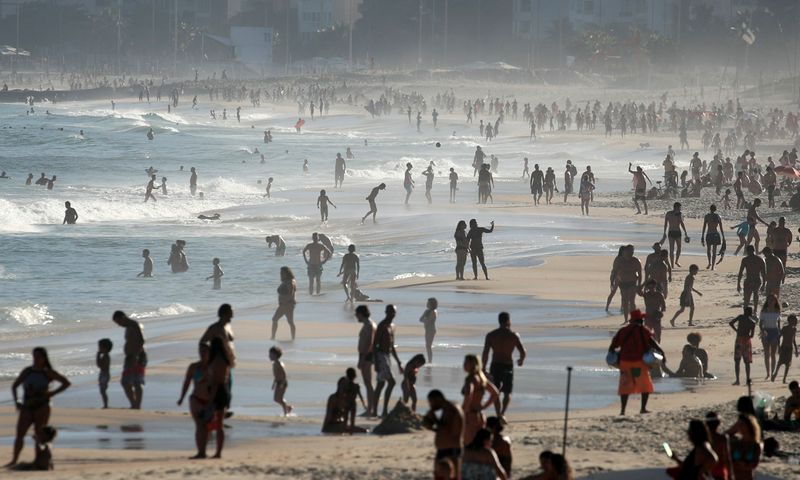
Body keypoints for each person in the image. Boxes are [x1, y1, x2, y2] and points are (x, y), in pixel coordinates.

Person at [6, 348, 70, 468]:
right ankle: (14, 460)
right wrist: (17, 402)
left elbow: (66, 383)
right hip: (27, 406)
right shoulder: (27, 371)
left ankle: (39, 460)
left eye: (39, 356)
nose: (36, 359)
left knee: (39, 434)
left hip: (42, 407)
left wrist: (52, 393)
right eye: (34, 356)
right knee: (20, 434)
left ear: (44, 358)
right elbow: (14, 386)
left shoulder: (47, 372)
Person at [608, 309, 665, 415]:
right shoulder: (644, 331)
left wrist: (614, 358)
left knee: (625, 386)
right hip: (639, 364)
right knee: (644, 385)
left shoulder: (622, 331)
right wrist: (662, 354)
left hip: (624, 363)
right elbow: (654, 344)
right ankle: (643, 408)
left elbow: (613, 346)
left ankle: (623, 410)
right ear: (640, 320)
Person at [482, 312, 526, 420]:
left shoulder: (491, 335)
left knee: (495, 391)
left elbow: (485, 353)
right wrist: (521, 360)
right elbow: (523, 351)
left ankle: (498, 414)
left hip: (495, 365)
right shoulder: (513, 335)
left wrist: (483, 367)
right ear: (508, 321)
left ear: (499, 321)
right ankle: (502, 413)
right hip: (507, 366)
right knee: (507, 392)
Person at [177, 343, 211, 459]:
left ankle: (203, 451)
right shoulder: (193, 367)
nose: (202, 353)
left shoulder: (213, 367)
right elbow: (186, 383)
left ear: (209, 352)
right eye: (200, 351)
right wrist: (181, 397)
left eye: (204, 351)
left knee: (206, 426)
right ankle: (200, 452)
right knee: (199, 425)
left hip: (209, 401)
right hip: (196, 399)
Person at [423, 389, 464, 480]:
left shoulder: (450, 409)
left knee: (448, 476)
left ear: (437, 399)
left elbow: (446, 429)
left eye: (431, 402)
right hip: (447, 448)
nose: (431, 405)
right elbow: (444, 430)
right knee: (440, 475)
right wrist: (432, 427)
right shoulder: (448, 408)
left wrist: (434, 419)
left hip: (450, 449)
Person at [461, 354, 499, 444]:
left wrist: (462, 412)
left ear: (472, 365)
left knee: (468, 444)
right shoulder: (482, 378)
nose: (464, 365)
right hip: (480, 414)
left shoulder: (470, 379)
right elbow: (495, 393)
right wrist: (484, 406)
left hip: (470, 415)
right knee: (479, 444)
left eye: (466, 363)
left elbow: (469, 395)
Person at [373, 305, 403, 418]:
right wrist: (376, 362)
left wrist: (399, 362)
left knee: (381, 384)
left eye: (394, 312)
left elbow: (392, 346)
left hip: (388, 356)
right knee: (391, 382)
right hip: (381, 356)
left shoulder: (393, 326)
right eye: (390, 312)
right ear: (386, 312)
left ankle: (377, 412)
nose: (392, 314)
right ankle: (381, 411)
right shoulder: (382, 326)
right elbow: (375, 344)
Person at [112, 311, 146, 409]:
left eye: (118, 322)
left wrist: (136, 355)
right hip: (130, 357)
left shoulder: (134, 325)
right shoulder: (128, 327)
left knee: (136, 382)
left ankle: (137, 405)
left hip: (137, 357)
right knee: (126, 382)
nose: (119, 325)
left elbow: (141, 340)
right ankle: (134, 404)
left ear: (123, 318)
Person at [206, 337, 231, 458]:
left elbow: (215, 381)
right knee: (219, 424)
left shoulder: (216, 361)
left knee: (209, 421)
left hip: (217, 390)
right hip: (224, 390)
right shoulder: (225, 360)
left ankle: (206, 449)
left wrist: (210, 399)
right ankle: (218, 451)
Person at [355, 305, 377, 417]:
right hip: (365, 355)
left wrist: (362, 359)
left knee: (368, 383)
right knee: (367, 383)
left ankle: (370, 409)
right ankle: (370, 408)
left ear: (361, 314)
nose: (356, 317)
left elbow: (369, 343)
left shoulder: (369, 325)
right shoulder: (368, 324)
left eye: (357, 314)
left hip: (367, 356)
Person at [729, 414, 762, 480]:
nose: (739, 427)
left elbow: (754, 465)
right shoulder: (735, 442)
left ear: (749, 426)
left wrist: (743, 464)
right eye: (738, 425)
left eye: (742, 424)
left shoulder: (756, 445)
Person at [729, 307, 757, 386]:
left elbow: (731, 323)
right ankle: (748, 380)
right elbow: (752, 335)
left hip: (739, 340)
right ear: (751, 313)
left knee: (737, 361)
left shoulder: (740, 317)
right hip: (746, 341)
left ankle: (737, 380)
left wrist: (737, 330)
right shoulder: (752, 322)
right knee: (747, 362)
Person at [617, 245, 643, 323]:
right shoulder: (620, 260)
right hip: (623, 283)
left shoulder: (636, 261)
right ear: (625, 251)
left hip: (632, 282)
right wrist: (616, 281)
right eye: (629, 251)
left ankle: (633, 318)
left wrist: (639, 285)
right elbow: (616, 272)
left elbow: (640, 274)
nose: (631, 252)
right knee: (625, 301)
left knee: (631, 301)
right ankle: (625, 319)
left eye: (632, 251)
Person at [737, 245, 766, 314]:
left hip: (749, 280)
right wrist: (764, 284)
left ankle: (748, 311)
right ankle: (755, 310)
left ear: (747, 251)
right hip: (756, 279)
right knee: (755, 295)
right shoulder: (760, 259)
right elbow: (764, 273)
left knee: (747, 297)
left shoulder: (746, 260)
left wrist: (738, 284)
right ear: (754, 250)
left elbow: (740, 272)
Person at [705, 412, 734, 480]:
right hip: (720, 472)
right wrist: (731, 475)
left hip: (707, 471)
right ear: (718, 423)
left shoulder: (703, 439)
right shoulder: (723, 438)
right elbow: (727, 458)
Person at [271, 267, 297, 340]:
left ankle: (273, 337)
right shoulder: (286, 281)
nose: (281, 274)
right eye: (280, 273)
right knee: (289, 321)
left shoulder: (290, 282)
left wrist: (285, 303)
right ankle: (292, 338)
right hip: (285, 304)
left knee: (276, 319)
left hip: (287, 305)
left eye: (282, 273)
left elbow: (291, 293)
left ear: (287, 273)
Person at [661, 202, 689, 268]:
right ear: (676, 207)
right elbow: (666, 224)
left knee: (679, 247)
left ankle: (676, 261)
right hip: (672, 232)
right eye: (679, 207)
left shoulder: (680, 214)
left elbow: (682, 223)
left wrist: (685, 232)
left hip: (677, 232)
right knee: (671, 249)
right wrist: (664, 232)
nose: (680, 209)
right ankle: (672, 265)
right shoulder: (669, 213)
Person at [773, 314, 799, 383]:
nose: (796, 322)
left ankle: (784, 379)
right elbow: (778, 337)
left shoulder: (794, 329)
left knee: (787, 365)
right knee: (780, 363)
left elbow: (793, 340)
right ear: (790, 321)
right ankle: (775, 374)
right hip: (784, 347)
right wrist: (778, 347)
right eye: (795, 321)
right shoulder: (785, 328)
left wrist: (796, 350)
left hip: (790, 349)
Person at [270, 346, 292, 416]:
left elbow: (284, 374)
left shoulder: (279, 364)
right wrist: (273, 384)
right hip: (278, 382)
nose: (269, 356)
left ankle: (286, 412)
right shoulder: (274, 364)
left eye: (271, 355)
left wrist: (282, 383)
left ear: (276, 355)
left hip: (282, 383)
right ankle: (287, 407)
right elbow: (276, 375)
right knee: (276, 399)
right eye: (269, 354)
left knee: (279, 398)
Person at [701, 205, 725, 270]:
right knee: (714, 251)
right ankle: (712, 266)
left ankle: (709, 263)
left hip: (709, 234)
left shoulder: (707, 216)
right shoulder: (718, 216)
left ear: (710, 209)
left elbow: (704, 227)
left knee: (708, 250)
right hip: (715, 234)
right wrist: (723, 236)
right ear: (715, 209)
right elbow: (721, 227)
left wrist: (702, 235)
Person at [420, 298, 438, 362]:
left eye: (428, 303)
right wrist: (425, 320)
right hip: (427, 329)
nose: (427, 304)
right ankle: (429, 360)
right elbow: (420, 319)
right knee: (427, 345)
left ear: (432, 304)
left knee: (428, 345)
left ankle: (430, 361)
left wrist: (425, 320)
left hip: (431, 330)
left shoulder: (434, 312)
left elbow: (430, 320)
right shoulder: (427, 311)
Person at [96, 338, 112, 409]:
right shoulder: (105, 356)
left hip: (104, 375)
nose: (99, 349)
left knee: (103, 390)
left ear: (104, 348)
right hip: (103, 374)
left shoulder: (106, 357)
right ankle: (105, 404)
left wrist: (98, 356)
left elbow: (100, 365)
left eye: (100, 347)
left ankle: (106, 405)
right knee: (102, 390)